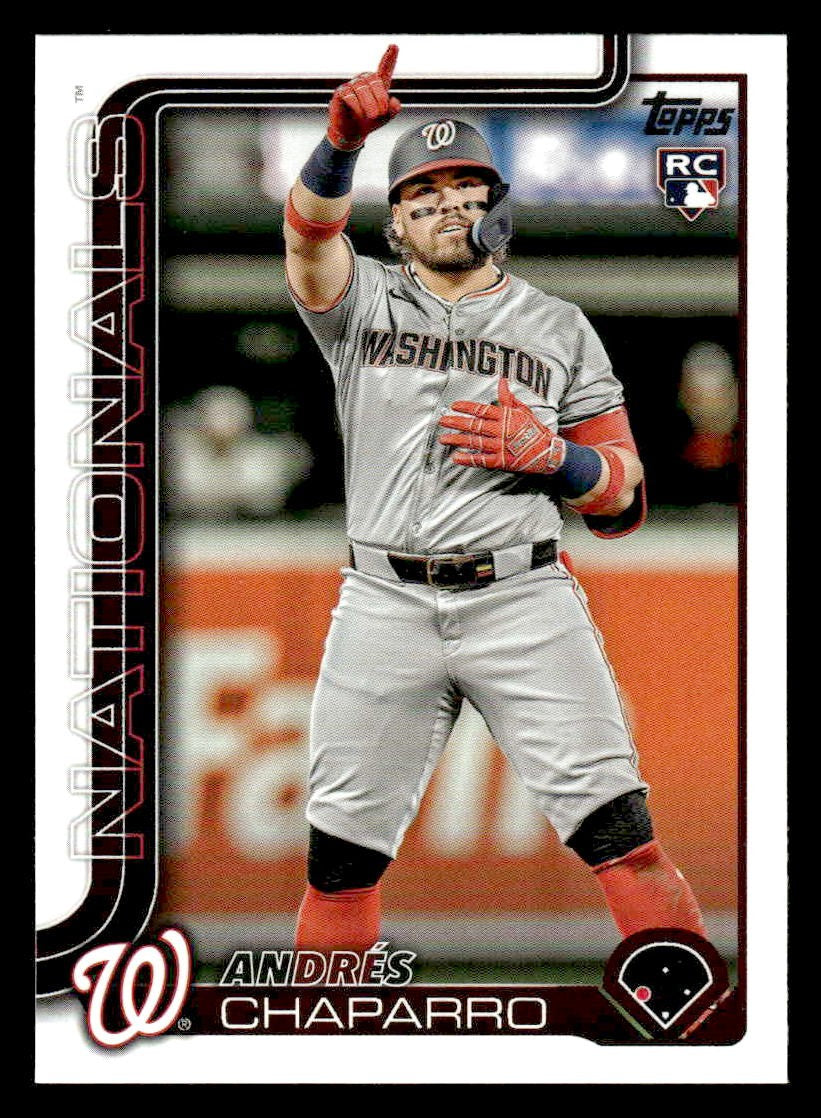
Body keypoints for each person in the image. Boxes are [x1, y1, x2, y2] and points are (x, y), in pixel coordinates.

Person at [283, 45, 707, 955]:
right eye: (422, 195)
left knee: (623, 837)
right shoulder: (359, 305)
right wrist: (339, 147)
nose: (446, 206)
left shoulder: (557, 326)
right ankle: (323, 1030)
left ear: (496, 207)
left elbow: (623, 496)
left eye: (465, 188)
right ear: (396, 224)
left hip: (522, 597)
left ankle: (696, 1019)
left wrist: (558, 460)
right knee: (338, 865)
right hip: (383, 599)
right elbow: (310, 237)